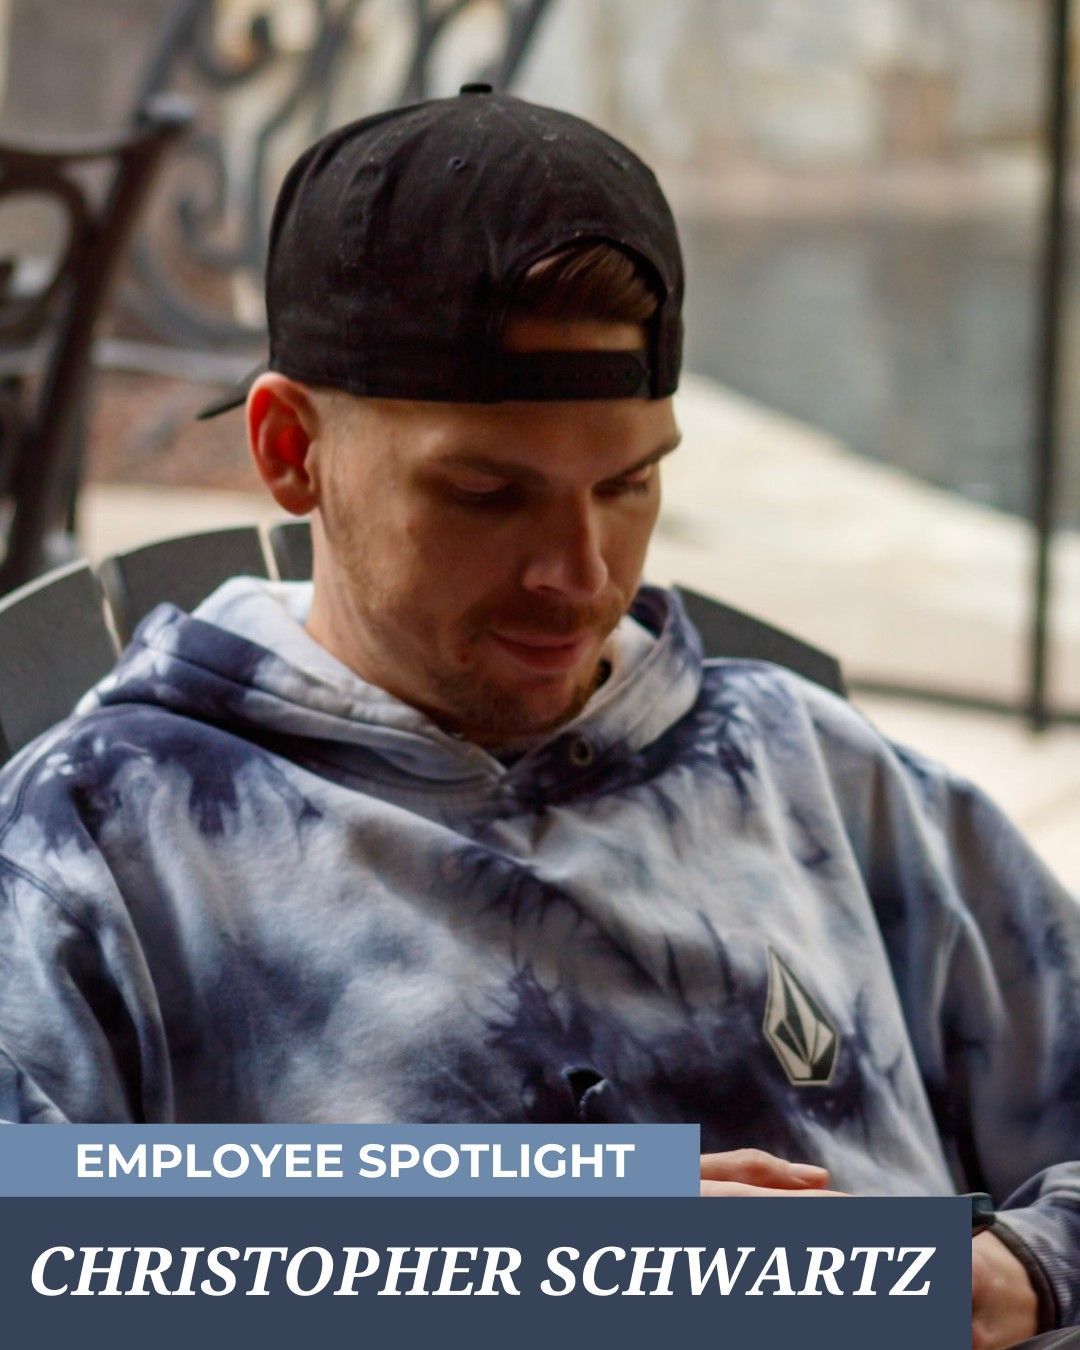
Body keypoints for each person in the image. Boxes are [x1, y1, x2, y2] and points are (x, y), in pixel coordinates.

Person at [0, 86, 1075, 1345]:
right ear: (292, 450)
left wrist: (998, 1274)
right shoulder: (108, 847)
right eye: (485, 491)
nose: (579, 573)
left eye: (628, 482)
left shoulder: (815, 777)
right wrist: (546, 1239)